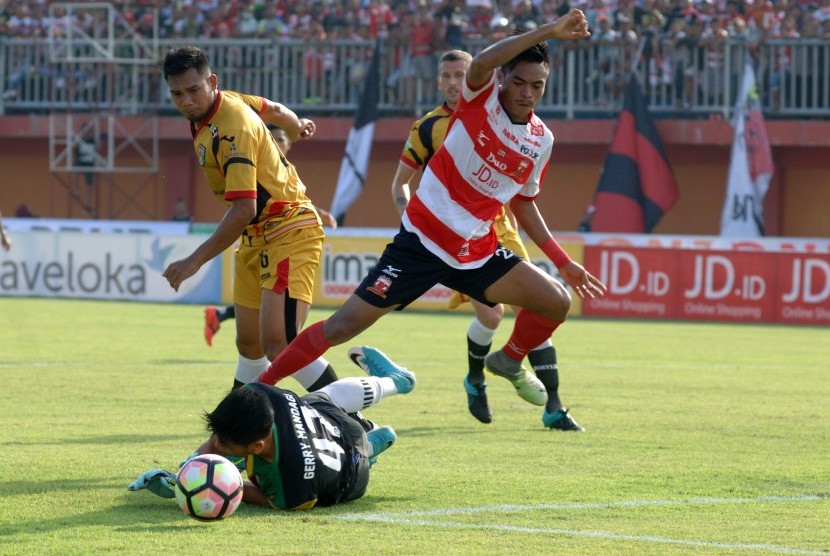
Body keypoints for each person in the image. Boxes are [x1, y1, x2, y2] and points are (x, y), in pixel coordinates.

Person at [258, 11, 606, 418]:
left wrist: (564, 263)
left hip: (476, 252)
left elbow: (524, 202)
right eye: (519, 82)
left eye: (537, 85)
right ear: (501, 80)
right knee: (340, 327)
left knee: (556, 302)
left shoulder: (541, 140)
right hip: (420, 245)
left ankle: (508, 360)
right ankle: (259, 389)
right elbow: (479, 64)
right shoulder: (480, 101)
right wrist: (550, 31)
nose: (527, 93)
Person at [390, 50, 583, 431]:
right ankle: (477, 376)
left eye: (459, 74)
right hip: (448, 232)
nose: (451, 81)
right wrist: (413, 227)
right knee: (492, 314)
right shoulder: (428, 127)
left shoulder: (500, 111)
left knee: (537, 305)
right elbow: (400, 184)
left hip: (499, 225)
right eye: (445, 75)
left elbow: (524, 194)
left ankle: (554, 405)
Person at [160, 46, 339, 393]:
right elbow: (271, 108)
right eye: (177, 93)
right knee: (249, 345)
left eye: (193, 90)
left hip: (287, 227)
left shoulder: (232, 127)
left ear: (212, 82)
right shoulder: (222, 103)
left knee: (281, 344)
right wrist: (295, 124)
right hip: (257, 237)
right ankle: (239, 425)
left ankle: (355, 421)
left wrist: (193, 261)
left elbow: (244, 209)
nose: (186, 101)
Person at [128, 346, 416, 510]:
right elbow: (221, 441)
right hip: (336, 429)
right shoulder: (267, 397)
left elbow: (249, 491)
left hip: (352, 480)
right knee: (321, 398)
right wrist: (187, 469)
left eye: (224, 446)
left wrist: (189, 485)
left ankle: (371, 442)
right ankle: (392, 386)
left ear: (257, 447)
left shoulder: (289, 485)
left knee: (329, 422)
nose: (216, 447)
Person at [202, 126, 338, 348]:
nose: (278, 142)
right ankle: (221, 317)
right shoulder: (253, 163)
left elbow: (291, 199)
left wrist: (318, 211)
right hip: (264, 239)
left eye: (282, 139)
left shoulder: (285, 168)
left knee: (267, 323)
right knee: (275, 339)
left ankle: (220, 316)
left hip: (277, 236)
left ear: (289, 144)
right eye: (273, 138)